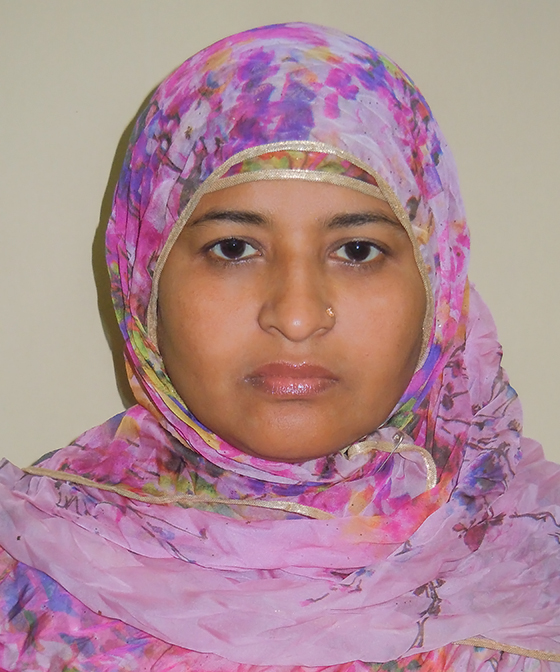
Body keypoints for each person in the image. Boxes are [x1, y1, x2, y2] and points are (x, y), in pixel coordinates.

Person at [0, 22, 559, 671]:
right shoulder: (30, 574)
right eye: (234, 248)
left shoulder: (534, 571)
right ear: (143, 277)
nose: (296, 317)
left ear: (438, 284)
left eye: (357, 251)